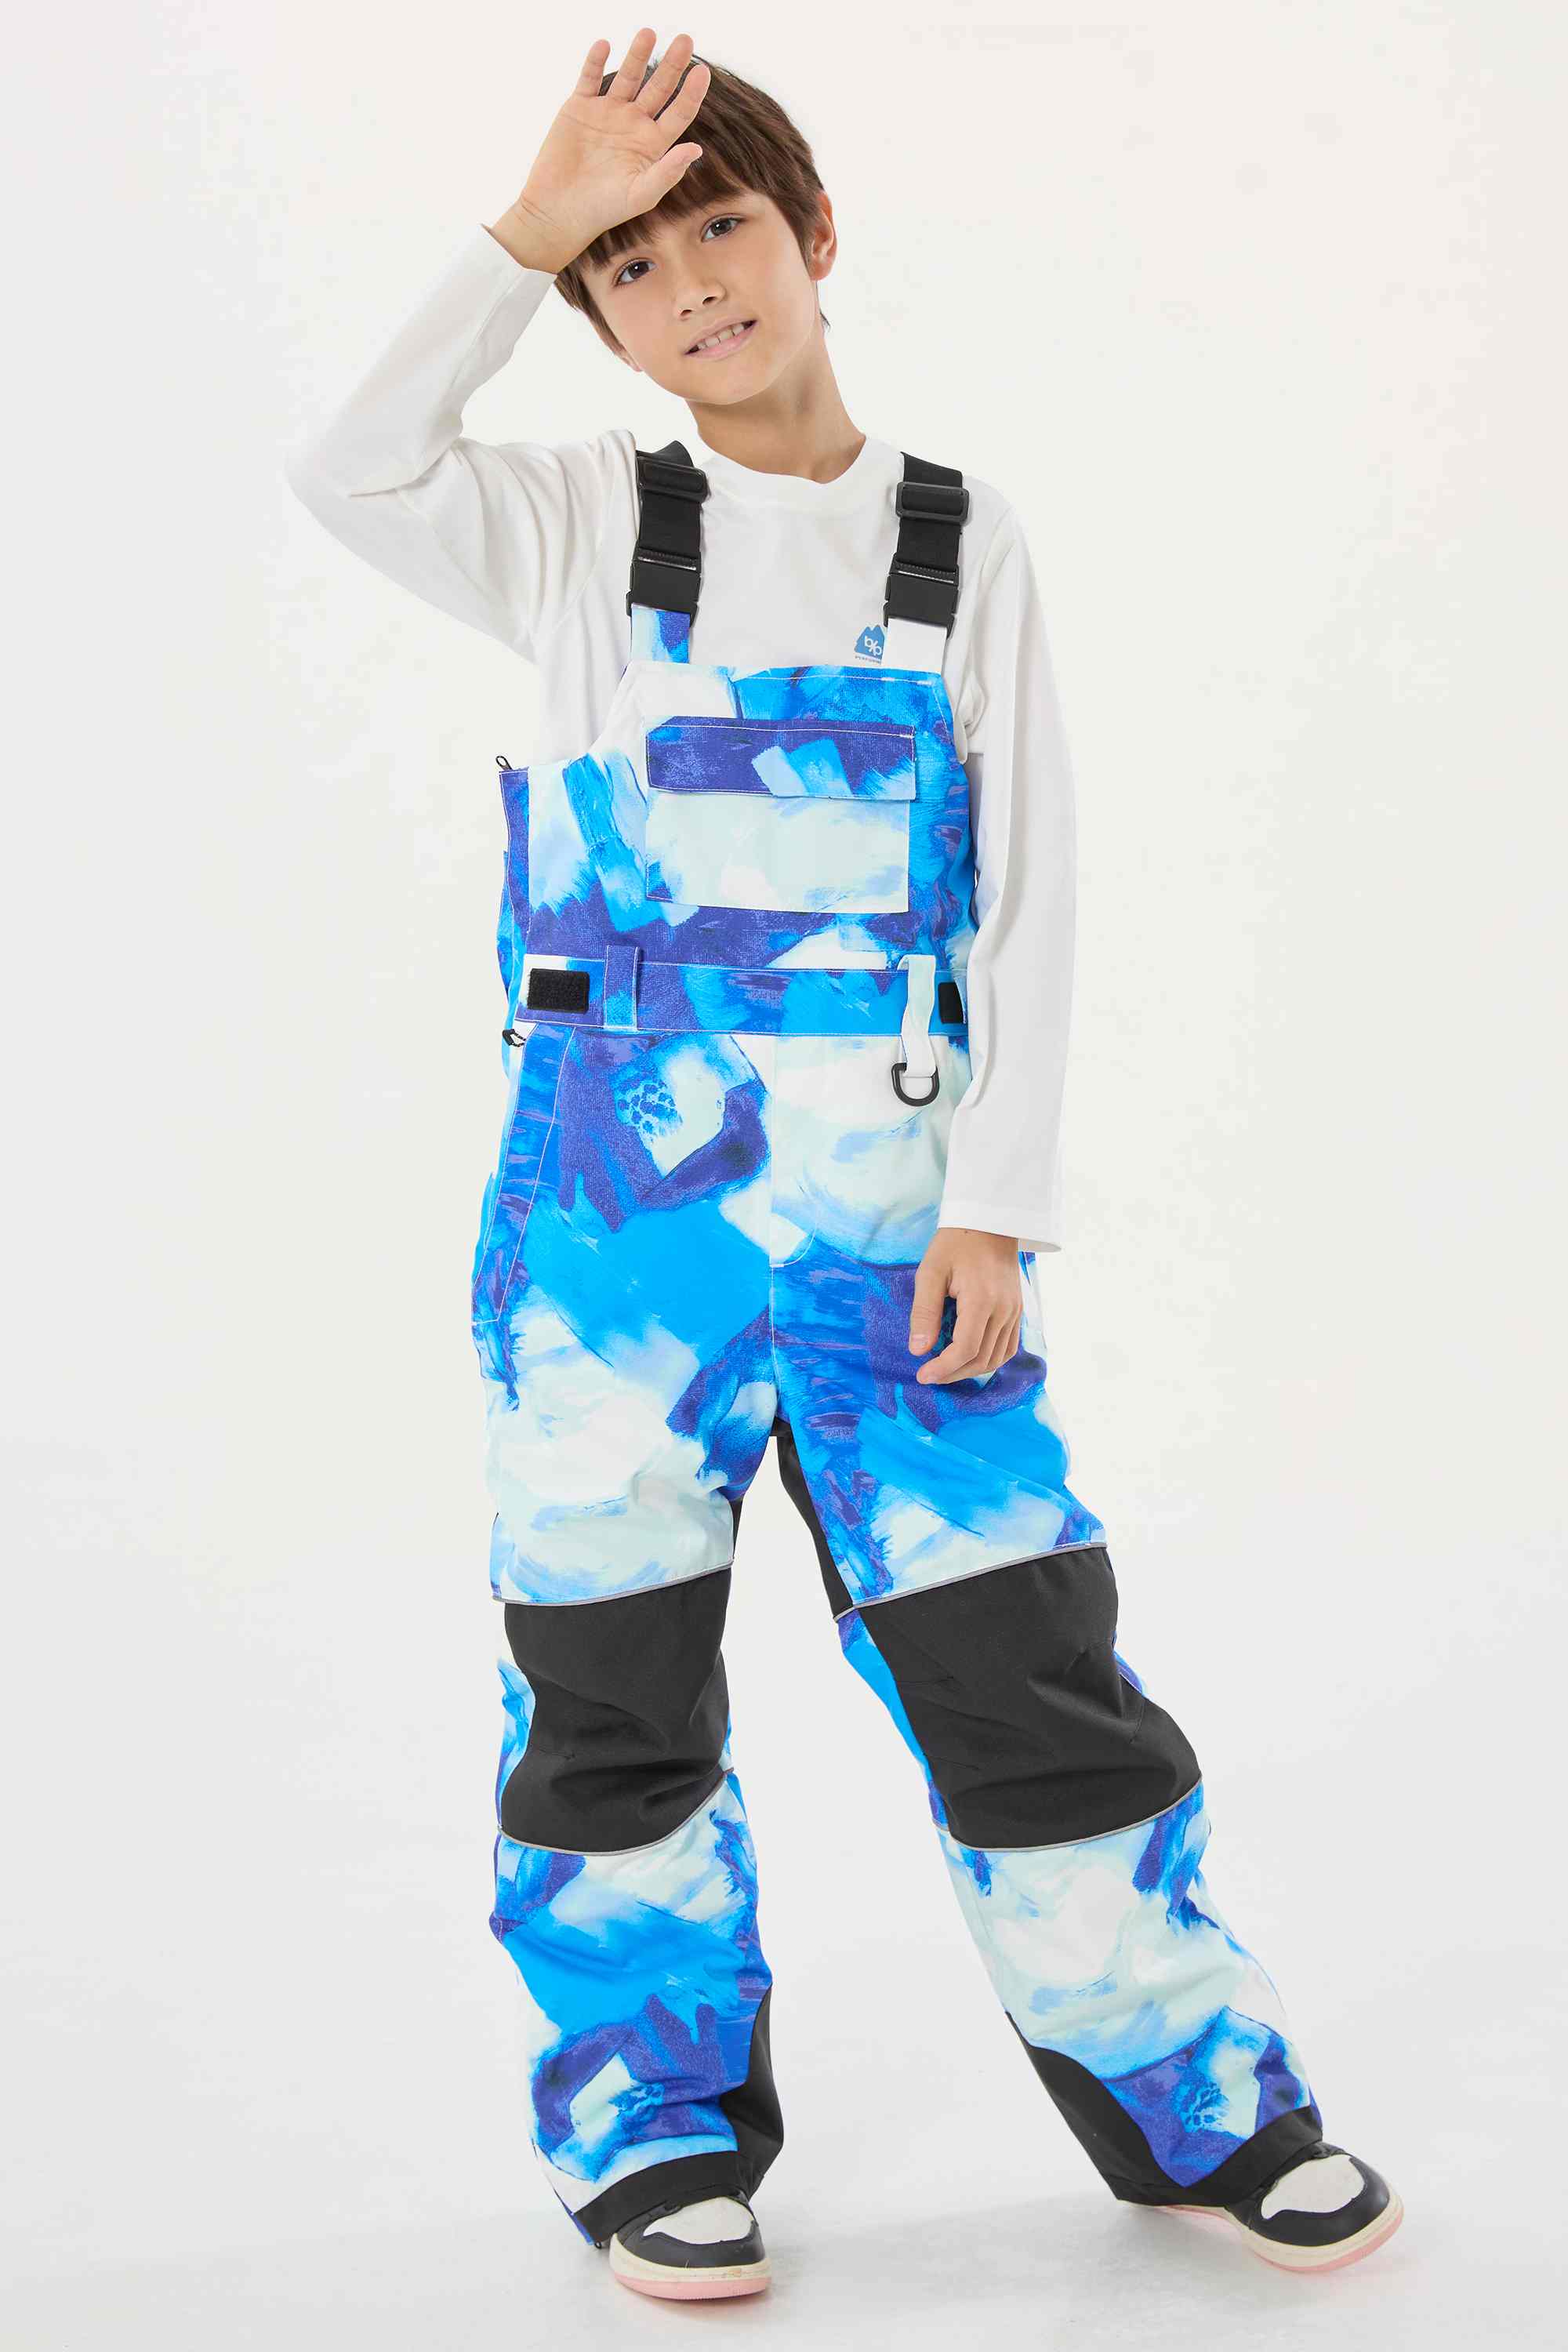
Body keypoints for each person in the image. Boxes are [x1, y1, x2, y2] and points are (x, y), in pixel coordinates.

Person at [283, 27, 1403, 2305]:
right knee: (610, 1691)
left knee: (1026, 1667)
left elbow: (1035, 890)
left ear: (812, 235)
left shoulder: (955, 539)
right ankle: (650, 2129)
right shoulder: (576, 530)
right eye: (631, 265)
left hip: (899, 1237)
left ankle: (1203, 2092)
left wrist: (1003, 1199)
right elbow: (349, 462)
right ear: (598, 319)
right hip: (612, 1244)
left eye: (722, 226)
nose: (692, 282)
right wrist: (520, 229)